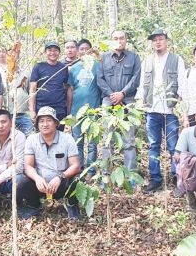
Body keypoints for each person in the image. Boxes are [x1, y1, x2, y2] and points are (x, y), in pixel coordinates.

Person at [135, 29, 186, 194]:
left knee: (173, 146)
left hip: (170, 110)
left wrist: (182, 108)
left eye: (161, 39)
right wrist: (140, 104)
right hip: (152, 110)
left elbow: (182, 84)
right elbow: (142, 84)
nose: (158, 42)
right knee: (153, 146)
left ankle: (176, 178)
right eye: (155, 40)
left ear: (167, 41)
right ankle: (156, 179)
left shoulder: (176, 60)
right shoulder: (147, 61)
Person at [17, 106, 82, 220]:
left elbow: (76, 166)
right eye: (41, 121)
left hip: (61, 184)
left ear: (56, 123)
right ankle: (33, 205)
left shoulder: (67, 139)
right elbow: (27, 166)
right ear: (37, 124)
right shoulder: (31, 140)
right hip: (40, 185)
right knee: (22, 180)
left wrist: (60, 177)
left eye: (49, 120)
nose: (45, 124)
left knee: (77, 179)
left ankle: (72, 204)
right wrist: (37, 178)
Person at [96, 30, 141, 172]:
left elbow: (136, 78)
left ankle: (130, 175)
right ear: (111, 41)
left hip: (128, 102)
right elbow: (100, 79)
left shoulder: (134, 57)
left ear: (126, 40)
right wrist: (112, 95)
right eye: (115, 38)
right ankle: (106, 174)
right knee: (107, 139)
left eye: (121, 38)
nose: (119, 41)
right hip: (108, 102)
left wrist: (122, 93)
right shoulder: (103, 58)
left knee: (129, 141)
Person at [68, 39, 102, 170]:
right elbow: (70, 90)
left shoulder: (98, 66)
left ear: (91, 50)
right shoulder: (73, 68)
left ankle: (91, 170)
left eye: (87, 48)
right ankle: (79, 169)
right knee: (78, 142)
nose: (84, 51)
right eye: (81, 49)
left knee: (93, 143)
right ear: (77, 51)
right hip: (77, 111)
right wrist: (69, 109)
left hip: (93, 110)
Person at [29, 42, 72, 123]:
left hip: (59, 108)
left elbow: (67, 88)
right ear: (45, 53)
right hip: (41, 108)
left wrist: (68, 110)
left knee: (59, 133)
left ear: (59, 53)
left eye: (55, 50)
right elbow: (33, 89)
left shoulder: (63, 68)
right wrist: (32, 110)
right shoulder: (38, 67)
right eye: (49, 50)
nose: (52, 53)